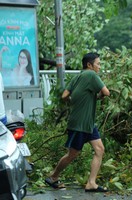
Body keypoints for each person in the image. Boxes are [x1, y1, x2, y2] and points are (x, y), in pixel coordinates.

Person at [45, 52, 110, 192]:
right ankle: (53, 177)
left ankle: (91, 183)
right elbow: (106, 92)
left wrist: (77, 101)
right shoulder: (91, 75)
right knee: (72, 154)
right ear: (89, 65)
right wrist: (97, 97)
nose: (99, 67)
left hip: (88, 123)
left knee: (100, 149)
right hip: (80, 123)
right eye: (98, 64)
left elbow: (64, 95)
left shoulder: (77, 77)